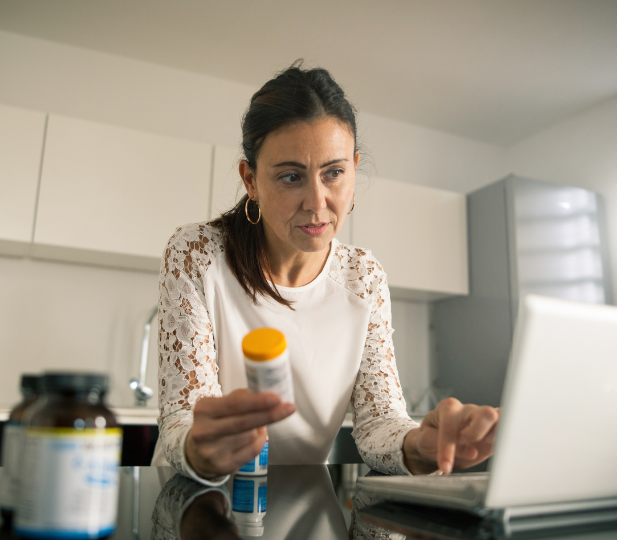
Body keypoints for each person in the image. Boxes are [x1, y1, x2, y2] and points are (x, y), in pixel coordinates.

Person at [153, 62, 498, 484]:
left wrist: (419, 446)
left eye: (333, 173)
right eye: (291, 177)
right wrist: (199, 447)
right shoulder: (197, 255)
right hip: (193, 499)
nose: (317, 203)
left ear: (353, 169)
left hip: (305, 508)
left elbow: (379, 424)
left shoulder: (363, 276)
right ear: (251, 181)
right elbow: (181, 417)